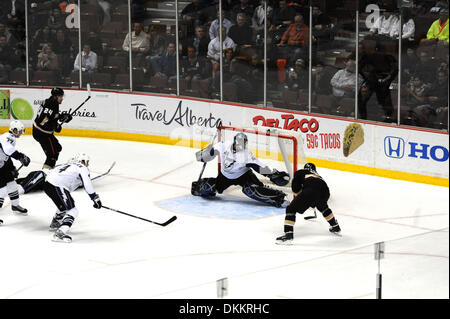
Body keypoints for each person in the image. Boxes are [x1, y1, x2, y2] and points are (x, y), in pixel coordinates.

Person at [191, 132, 290, 208]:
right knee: (207, 187)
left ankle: (278, 198)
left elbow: (258, 166)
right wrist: (205, 154)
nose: (241, 146)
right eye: (240, 143)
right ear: (235, 142)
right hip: (225, 176)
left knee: (251, 190)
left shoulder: (246, 154)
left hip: (244, 176)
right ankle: (202, 183)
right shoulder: (223, 145)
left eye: (244, 144)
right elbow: (212, 152)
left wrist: (271, 174)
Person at [276, 163, 341, 244]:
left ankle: (288, 234)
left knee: (291, 209)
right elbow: (318, 187)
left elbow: (295, 190)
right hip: (325, 191)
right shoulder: (317, 175)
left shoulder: (300, 172)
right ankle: (335, 226)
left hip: (311, 190)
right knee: (323, 207)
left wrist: (305, 197)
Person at [43, 153, 102, 242]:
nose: (87, 164)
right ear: (82, 161)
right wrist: (95, 198)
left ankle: (55, 223)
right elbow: (87, 184)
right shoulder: (82, 167)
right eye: (86, 162)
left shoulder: (65, 165)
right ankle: (60, 232)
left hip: (47, 184)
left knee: (65, 205)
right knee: (72, 210)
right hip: (57, 185)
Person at [32, 87, 73, 169]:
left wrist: (62, 117)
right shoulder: (51, 104)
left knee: (57, 148)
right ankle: (45, 174)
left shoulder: (52, 102)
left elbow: (51, 116)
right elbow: (42, 121)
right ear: (55, 96)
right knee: (52, 155)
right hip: (42, 133)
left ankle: (49, 166)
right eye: (60, 96)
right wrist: (55, 126)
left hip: (44, 133)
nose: (62, 98)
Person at [0, 120, 31, 222]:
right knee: (2, 190)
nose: (21, 133)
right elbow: (8, 150)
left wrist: (12, 167)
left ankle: (15, 205)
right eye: (20, 131)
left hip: (2, 164)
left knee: (12, 184)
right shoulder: (8, 137)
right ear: (14, 130)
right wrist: (20, 156)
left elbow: (6, 155)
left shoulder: (10, 137)